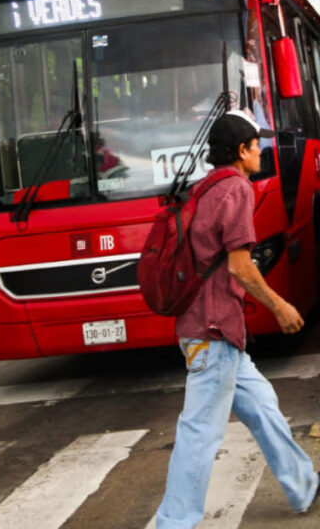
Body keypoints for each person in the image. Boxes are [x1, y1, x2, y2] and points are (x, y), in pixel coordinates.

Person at [155, 110, 318, 527]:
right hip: (213, 331)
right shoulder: (237, 190)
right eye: (255, 145)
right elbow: (240, 266)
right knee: (199, 434)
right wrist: (279, 305)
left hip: (214, 332)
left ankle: (303, 485)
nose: (261, 151)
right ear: (241, 151)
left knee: (263, 407)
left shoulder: (205, 188)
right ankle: (174, 521)